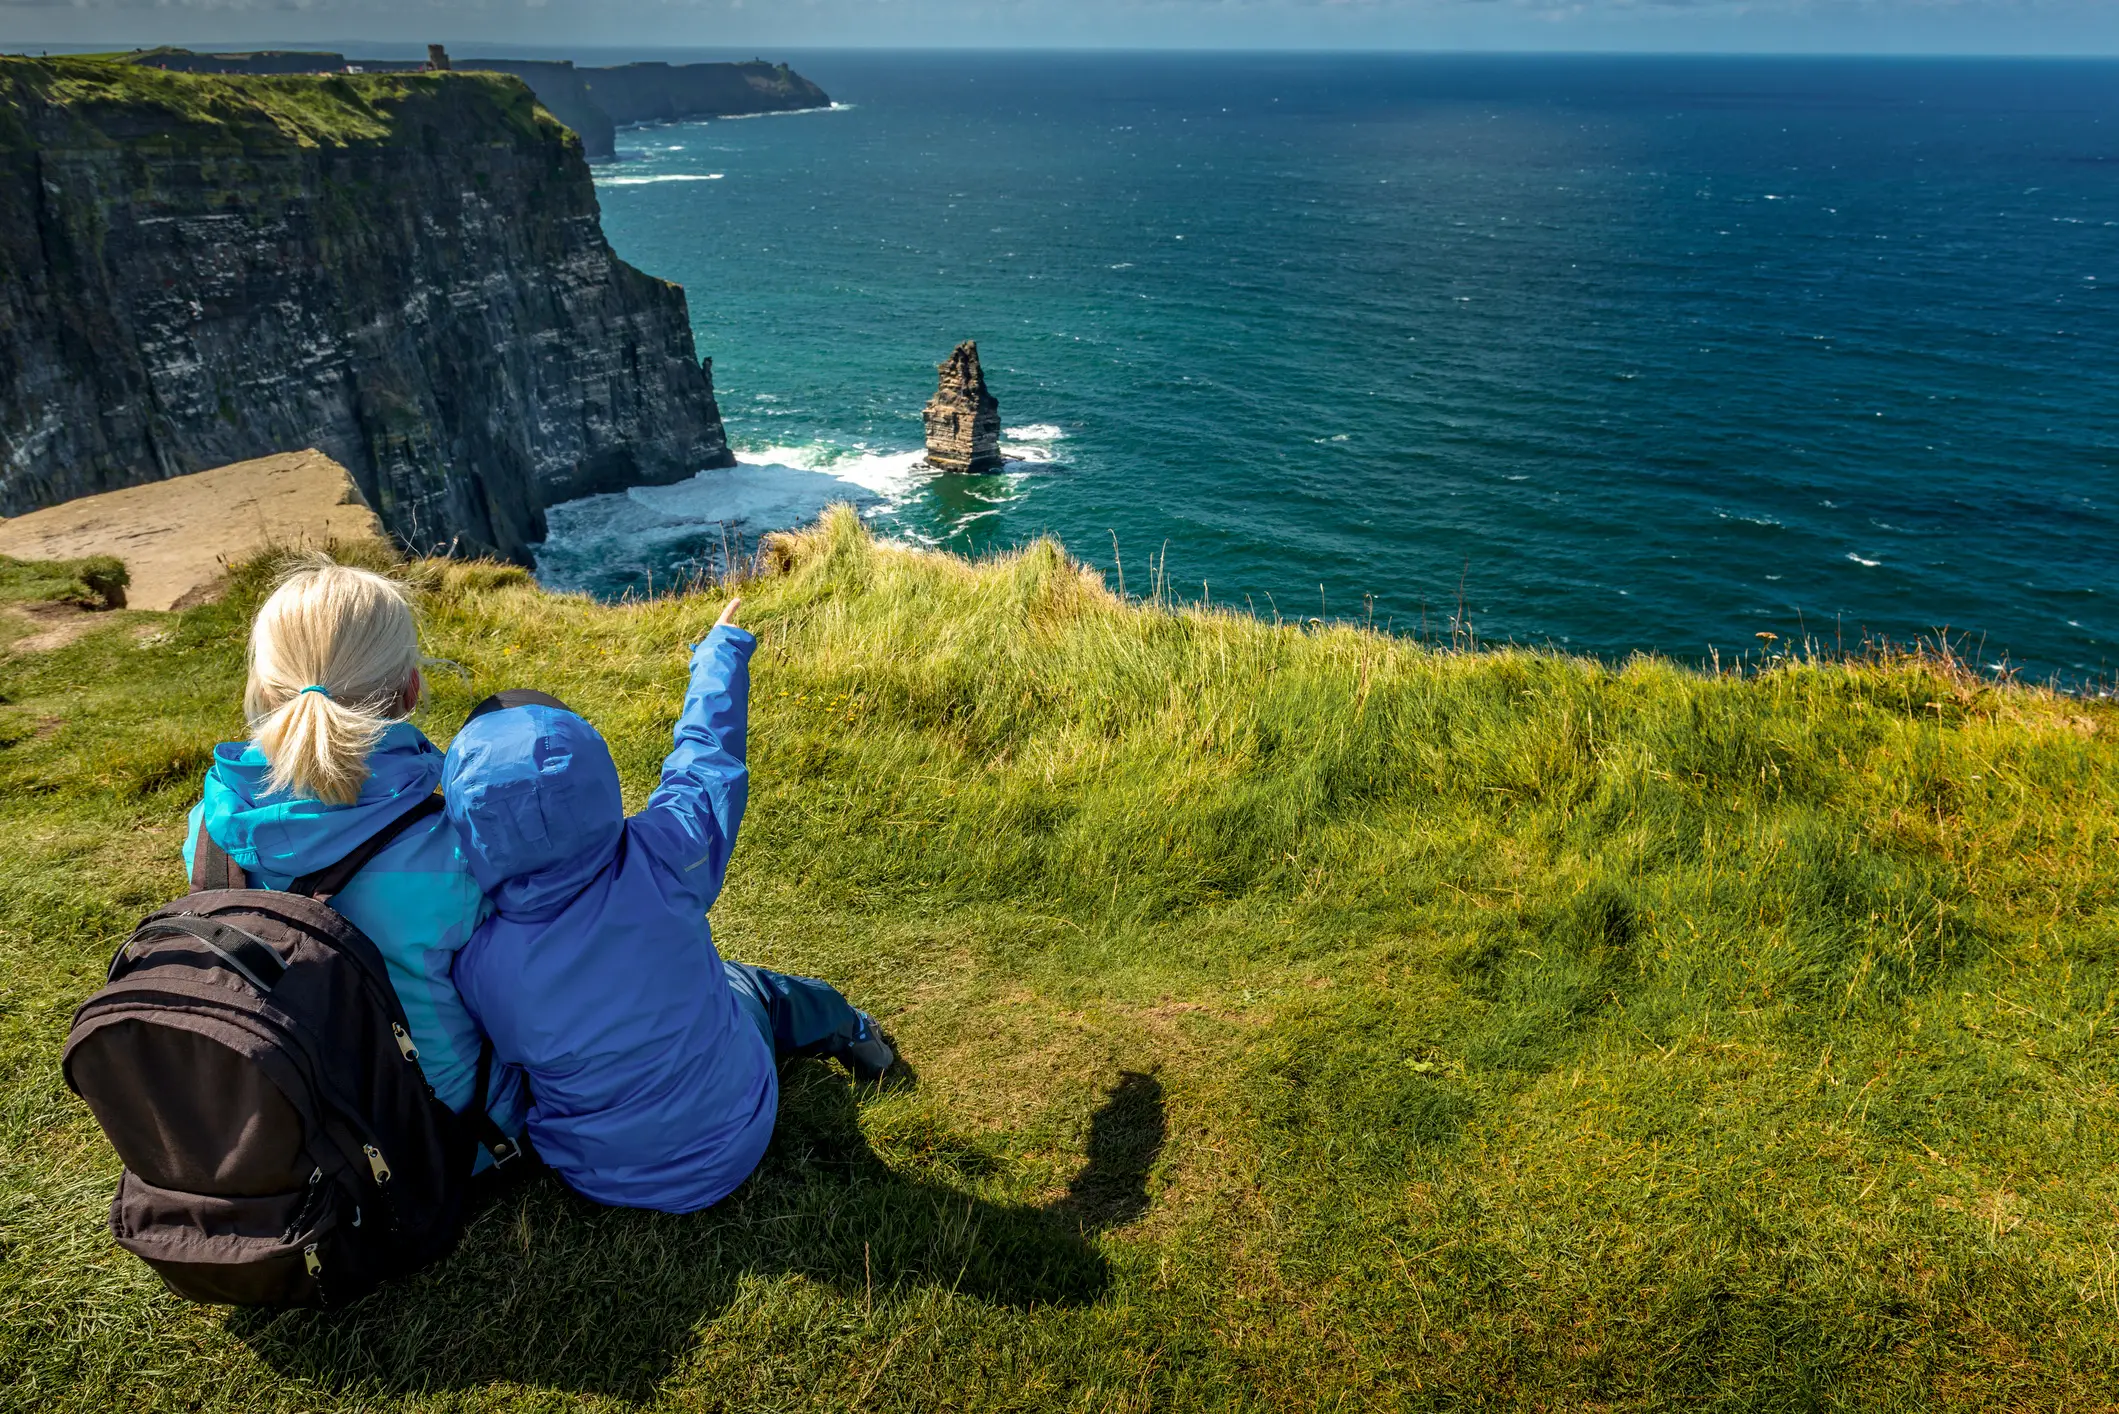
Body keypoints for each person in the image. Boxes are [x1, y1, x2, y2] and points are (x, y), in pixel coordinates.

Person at [443, 597, 893, 1214]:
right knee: (752, 987)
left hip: (599, 1175)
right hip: (741, 1134)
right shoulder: (667, 854)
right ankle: (855, 1033)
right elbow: (706, 757)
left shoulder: (479, 961)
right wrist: (720, 652)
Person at [184, 557, 525, 1157]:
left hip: (297, 1138)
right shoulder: (452, 841)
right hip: (452, 1139)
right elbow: (521, 991)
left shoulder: (209, 829)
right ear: (412, 687)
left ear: (265, 690)